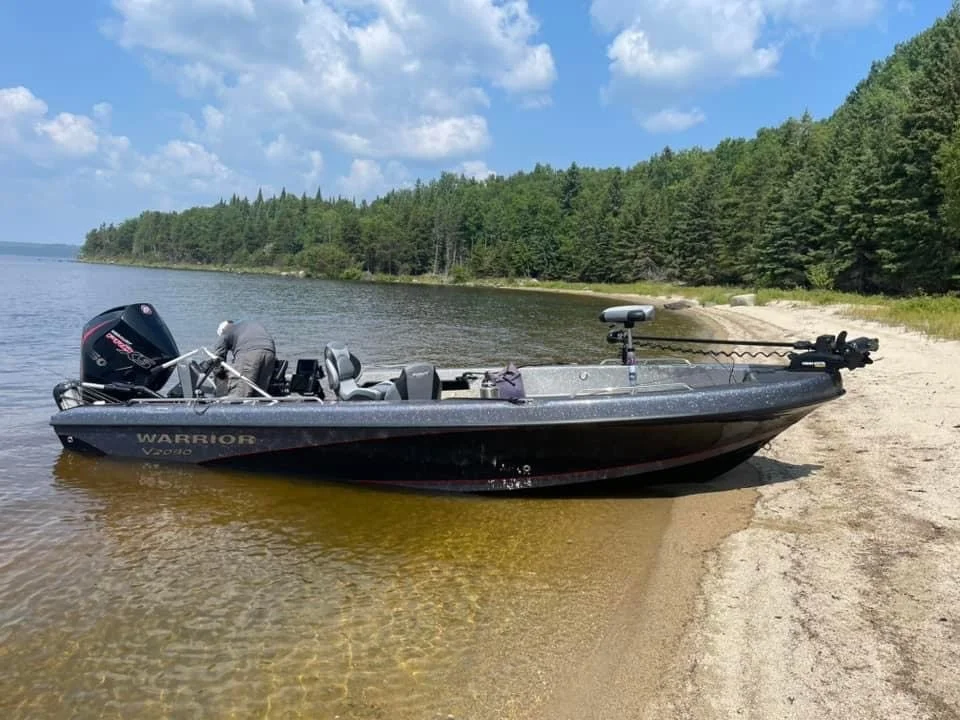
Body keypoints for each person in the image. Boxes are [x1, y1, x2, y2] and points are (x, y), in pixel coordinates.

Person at [211, 319, 277, 397]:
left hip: (249, 353)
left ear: (222, 330)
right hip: (270, 352)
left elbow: (218, 356)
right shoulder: (243, 325)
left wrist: (220, 373)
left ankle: (236, 405)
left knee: (240, 392)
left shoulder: (226, 331)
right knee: (260, 393)